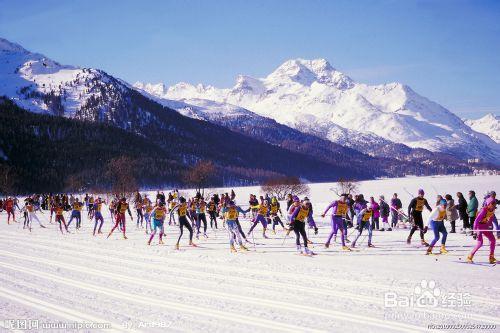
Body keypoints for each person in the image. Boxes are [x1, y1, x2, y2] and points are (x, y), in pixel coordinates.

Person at [467, 197, 497, 264]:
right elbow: (476, 220)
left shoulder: (493, 210)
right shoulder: (484, 210)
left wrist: (490, 227)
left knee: (493, 240)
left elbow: (491, 219)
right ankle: (470, 256)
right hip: (479, 226)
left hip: (485, 226)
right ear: (488, 204)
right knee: (480, 243)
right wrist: (475, 231)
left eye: (495, 204)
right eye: (492, 204)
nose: (494, 206)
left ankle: (491, 257)